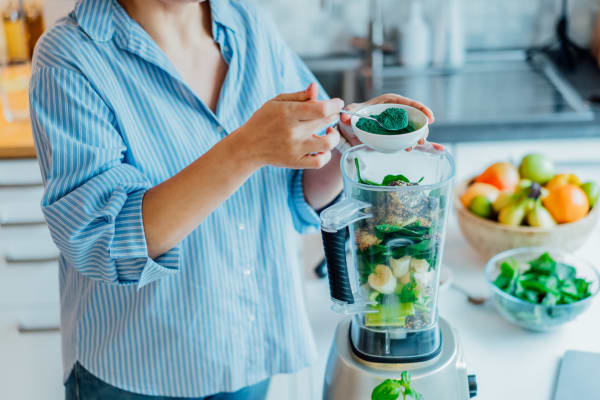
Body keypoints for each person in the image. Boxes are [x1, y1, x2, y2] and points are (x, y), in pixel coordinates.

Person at [29, 0, 437, 399]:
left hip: (248, 350)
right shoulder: (69, 57)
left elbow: (296, 194)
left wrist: (347, 143)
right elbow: (103, 240)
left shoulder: (247, 22)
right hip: (138, 372)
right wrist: (244, 149)